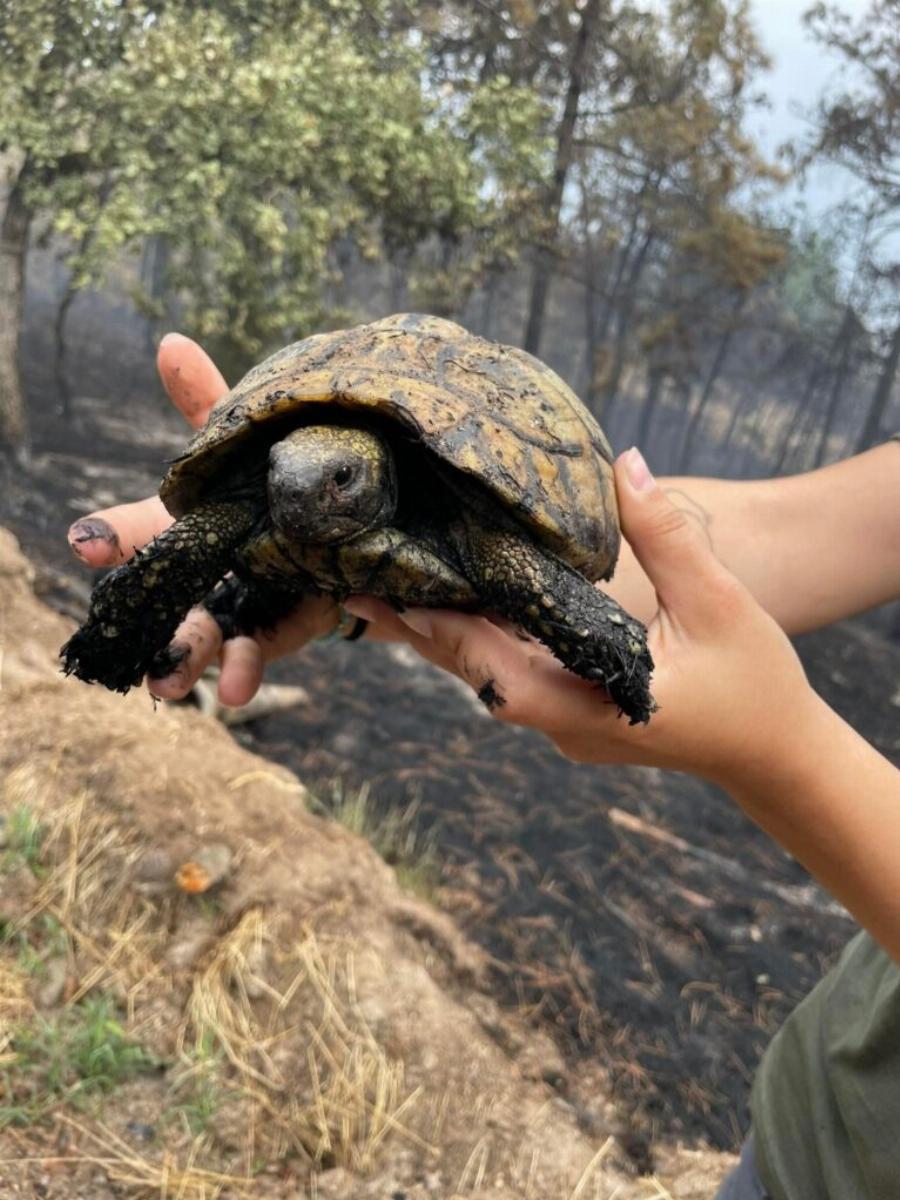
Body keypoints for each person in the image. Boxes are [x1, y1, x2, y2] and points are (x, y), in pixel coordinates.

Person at [68, 332, 900, 1200]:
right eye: (283, 484)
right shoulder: (297, 483)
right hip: (810, 1125)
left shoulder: (464, 521)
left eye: (338, 484)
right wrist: (663, 539)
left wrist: (770, 744)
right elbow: (814, 529)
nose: (303, 499)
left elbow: (508, 549)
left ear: (381, 481)